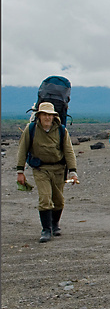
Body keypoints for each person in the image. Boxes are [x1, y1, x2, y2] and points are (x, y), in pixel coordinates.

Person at [16, 102, 79, 242]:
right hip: (40, 169)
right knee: (45, 198)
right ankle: (46, 230)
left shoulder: (62, 131)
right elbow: (22, 149)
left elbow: (69, 151)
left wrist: (73, 171)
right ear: (39, 115)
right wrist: (20, 171)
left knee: (59, 200)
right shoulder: (31, 129)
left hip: (58, 169)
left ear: (54, 116)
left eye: (49, 115)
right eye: (44, 114)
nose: (47, 117)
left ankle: (55, 224)